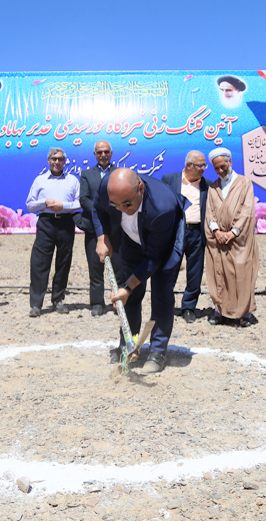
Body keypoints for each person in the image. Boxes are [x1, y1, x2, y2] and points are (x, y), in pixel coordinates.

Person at [93, 168, 186, 374]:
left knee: (161, 292)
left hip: (164, 244)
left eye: (127, 204)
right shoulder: (108, 186)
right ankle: (129, 343)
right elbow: (97, 209)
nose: (121, 209)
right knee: (130, 296)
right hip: (132, 239)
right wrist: (101, 236)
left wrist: (127, 287)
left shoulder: (162, 206)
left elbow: (153, 258)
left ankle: (157, 351)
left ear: (140, 189)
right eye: (115, 205)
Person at [203, 148, 259, 328]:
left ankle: (244, 313)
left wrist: (233, 232)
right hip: (219, 239)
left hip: (239, 239)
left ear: (230, 163)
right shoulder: (213, 187)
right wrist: (217, 231)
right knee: (219, 274)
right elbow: (210, 212)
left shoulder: (244, 183)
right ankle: (220, 311)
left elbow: (247, 210)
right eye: (216, 168)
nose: (220, 171)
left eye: (223, 166)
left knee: (242, 275)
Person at [26, 147, 80, 317]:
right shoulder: (40, 180)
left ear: (65, 161)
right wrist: (45, 202)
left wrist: (64, 206)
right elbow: (30, 204)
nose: (57, 162)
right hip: (46, 223)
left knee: (63, 262)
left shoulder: (73, 180)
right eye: (54, 159)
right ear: (48, 161)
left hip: (66, 223)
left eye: (60, 159)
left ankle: (58, 299)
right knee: (40, 263)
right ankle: (36, 304)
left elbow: (80, 203)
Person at [161, 150, 209, 323]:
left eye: (204, 165)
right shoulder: (169, 179)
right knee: (170, 268)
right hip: (175, 232)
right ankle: (165, 305)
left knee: (195, 271)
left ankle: (188, 307)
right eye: (200, 165)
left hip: (197, 232)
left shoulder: (207, 185)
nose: (203, 169)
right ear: (188, 165)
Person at [77, 140, 122, 316]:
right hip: (93, 229)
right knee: (95, 268)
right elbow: (84, 199)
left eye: (106, 152)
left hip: (116, 228)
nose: (103, 155)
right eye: (99, 152)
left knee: (118, 268)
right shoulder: (86, 175)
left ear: (111, 153)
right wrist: (100, 209)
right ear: (95, 154)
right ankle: (97, 303)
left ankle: (119, 302)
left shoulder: (120, 173)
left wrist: (112, 210)